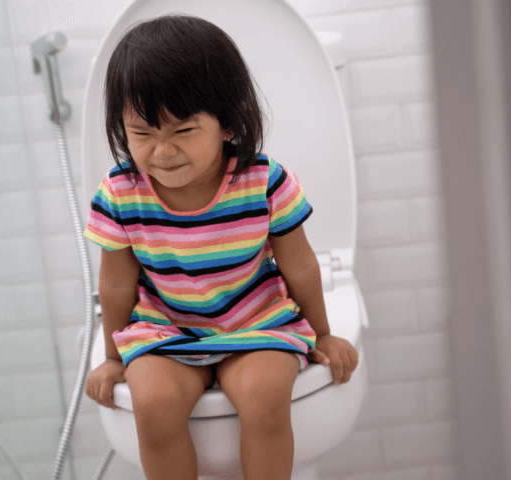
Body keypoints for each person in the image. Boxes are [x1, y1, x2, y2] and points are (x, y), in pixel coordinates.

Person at [83, 14, 359, 480]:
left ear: (229, 121)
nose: (162, 152)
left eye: (183, 131)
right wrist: (113, 359)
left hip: (255, 320)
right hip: (165, 329)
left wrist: (324, 332)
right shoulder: (119, 193)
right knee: (152, 405)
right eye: (143, 134)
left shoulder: (264, 182)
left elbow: (301, 265)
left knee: (265, 398)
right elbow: (114, 283)